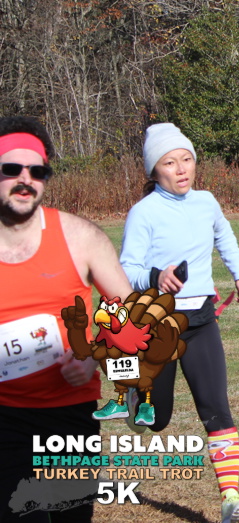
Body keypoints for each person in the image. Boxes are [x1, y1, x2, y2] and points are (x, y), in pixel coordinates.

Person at [118, 122, 239, 523]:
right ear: (153, 171)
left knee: (217, 408)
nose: (181, 169)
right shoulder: (143, 213)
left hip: (201, 322)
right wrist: (155, 277)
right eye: (169, 162)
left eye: (186, 159)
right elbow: (125, 268)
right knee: (157, 419)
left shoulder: (206, 202)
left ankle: (231, 499)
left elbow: (224, 236)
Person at [0, 115, 134, 522]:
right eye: (11, 169)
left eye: (37, 171)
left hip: (70, 416)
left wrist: (94, 355)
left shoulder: (81, 238)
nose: (25, 180)